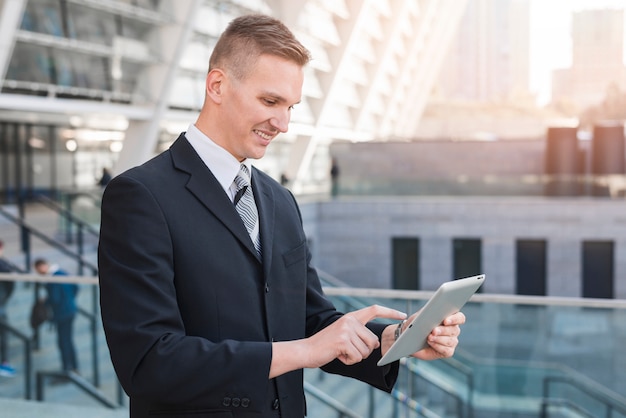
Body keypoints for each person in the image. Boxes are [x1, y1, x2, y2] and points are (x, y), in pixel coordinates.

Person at [98, 14, 466, 418]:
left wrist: (396, 339)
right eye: (270, 102)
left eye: (290, 106)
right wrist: (304, 351)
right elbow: (149, 362)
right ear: (217, 85)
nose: (283, 124)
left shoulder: (279, 200)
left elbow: (310, 321)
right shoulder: (140, 196)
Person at [33, 258, 79, 375]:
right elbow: (75, 288)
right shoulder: (61, 273)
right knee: (67, 341)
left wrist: (45, 302)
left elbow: (55, 298)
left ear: (43, 266)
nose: (39, 273)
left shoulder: (53, 278)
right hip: (70, 310)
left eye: (39, 270)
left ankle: (68, 369)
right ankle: (72, 367)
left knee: (64, 342)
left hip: (62, 313)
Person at [0, 240, 16, 377]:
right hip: (1, 304)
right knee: (3, 334)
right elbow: (10, 283)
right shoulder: (3, 265)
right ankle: (4, 363)